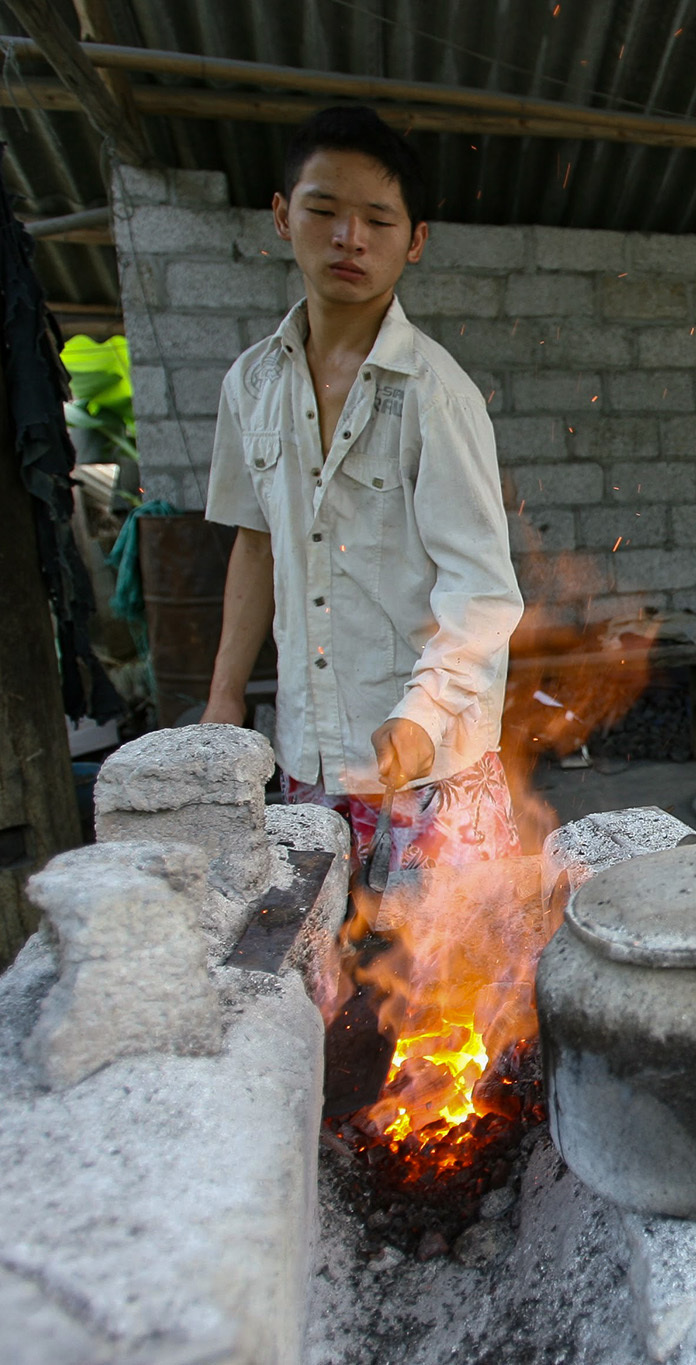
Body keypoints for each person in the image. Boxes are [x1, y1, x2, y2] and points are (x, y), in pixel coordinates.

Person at [202, 107, 523, 872]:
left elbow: (481, 591)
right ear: (283, 217)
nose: (349, 238)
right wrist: (224, 698)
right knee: (325, 969)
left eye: (378, 220)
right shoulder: (251, 383)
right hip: (309, 760)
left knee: (451, 983)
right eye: (324, 210)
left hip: (432, 772)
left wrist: (421, 714)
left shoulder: (435, 395)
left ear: (413, 242)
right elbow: (255, 542)